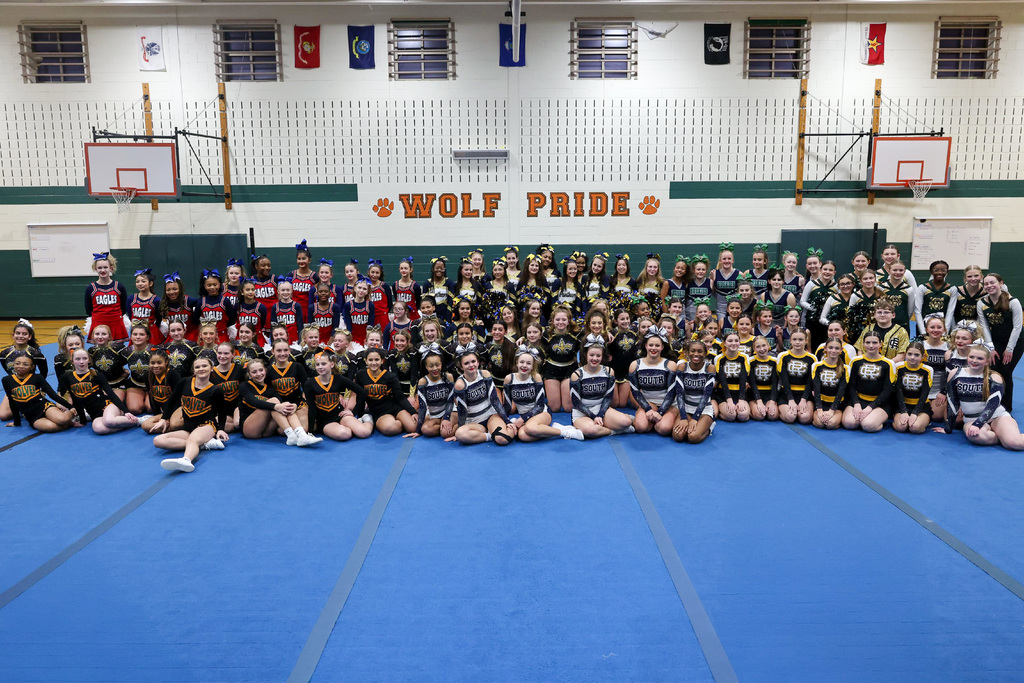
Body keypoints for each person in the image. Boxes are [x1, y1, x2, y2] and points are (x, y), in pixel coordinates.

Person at [936, 343, 1024, 450]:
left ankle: (1006, 436)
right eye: (971, 357)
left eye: (980, 358)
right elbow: (952, 401)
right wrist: (948, 428)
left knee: (1015, 443)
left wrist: (978, 424)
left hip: (997, 416)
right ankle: (1002, 436)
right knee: (974, 436)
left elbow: (992, 406)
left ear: (987, 361)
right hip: (971, 419)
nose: (974, 360)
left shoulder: (994, 377)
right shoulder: (956, 374)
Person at [151, 356, 230, 473]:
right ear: (193, 370)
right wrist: (164, 418)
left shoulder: (215, 390)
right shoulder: (185, 382)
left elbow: (222, 411)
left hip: (206, 425)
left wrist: (221, 429)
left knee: (192, 440)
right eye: (197, 367)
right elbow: (172, 400)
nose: (201, 369)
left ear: (211, 368)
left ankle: (187, 460)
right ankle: (202, 444)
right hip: (188, 427)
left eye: (204, 366)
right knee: (158, 440)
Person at [504, 347, 583, 441]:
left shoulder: (535, 377)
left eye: (528, 363)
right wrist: (506, 421)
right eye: (522, 362)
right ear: (517, 363)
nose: (524, 366)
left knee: (530, 428)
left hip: (541, 412)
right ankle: (552, 429)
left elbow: (540, 405)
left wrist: (522, 419)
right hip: (525, 416)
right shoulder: (509, 379)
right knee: (522, 436)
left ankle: (565, 432)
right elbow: (507, 405)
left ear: (533, 366)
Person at [446, 346, 516, 445]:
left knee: (502, 439)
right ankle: (490, 436)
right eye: (466, 363)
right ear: (461, 366)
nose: (471, 365)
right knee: (460, 434)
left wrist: (507, 420)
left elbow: (495, 400)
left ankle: (512, 426)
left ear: (478, 362)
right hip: (474, 422)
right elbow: (462, 410)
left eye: (473, 361)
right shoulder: (460, 384)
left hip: (491, 416)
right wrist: (460, 429)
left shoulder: (485, 374)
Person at [569, 337, 634, 438]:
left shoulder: (608, 372)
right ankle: (613, 430)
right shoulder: (577, 375)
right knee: (591, 431)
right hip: (582, 412)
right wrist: (593, 416)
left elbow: (608, 397)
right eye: (591, 355)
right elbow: (576, 402)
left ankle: (612, 424)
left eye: (598, 355)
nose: (595, 358)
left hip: (601, 408)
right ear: (585, 355)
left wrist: (600, 414)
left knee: (626, 422)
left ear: (602, 356)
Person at [65, 348, 139, 434]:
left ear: (89, 360)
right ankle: (128, 423)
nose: (81, 362)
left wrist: (126, 411)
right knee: (98, 428)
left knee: (108, 421)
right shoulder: (69, 378)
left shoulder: (96, 374)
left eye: (84, 358)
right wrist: (82, 420)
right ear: (72, 361)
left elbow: (110, 393)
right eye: (78, 359)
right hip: (95, 414)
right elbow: (76, 400)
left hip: (108, 406)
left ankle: (139, 420)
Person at [976, 273, 1023, 410]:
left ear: (1000, 283)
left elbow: (1017, 327)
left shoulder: (1012, 301)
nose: (989, 286)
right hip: (995, 341)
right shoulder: (982, 303)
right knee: (994, 370)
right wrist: (990, 348)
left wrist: (1010, 349)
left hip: (1016, 341)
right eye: (986, 284)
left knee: (1006, 371)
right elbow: (984, 326)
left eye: (992, 283)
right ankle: (992, 403)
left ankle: (1006, 407)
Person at [352, 348, 418, 436]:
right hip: (379, 412)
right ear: (366, 361)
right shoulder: (361, 375)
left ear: (382, 361)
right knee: (390, 428)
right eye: (370, 360)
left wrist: (413, 412)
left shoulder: (390, 376)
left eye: (377, 359)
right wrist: (359, 416)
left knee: (413, 428)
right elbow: (360, 398)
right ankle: (397, 423)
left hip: (395, 408)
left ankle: (402, 422)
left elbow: (400, 397)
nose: (374, 363)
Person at [3, 353, 73, 432]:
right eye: (17, 363)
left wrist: (71, 407)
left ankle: (72, 415)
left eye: (25, 364)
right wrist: (17, 422)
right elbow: (12, 401)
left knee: (63, 419)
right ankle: (68, 423)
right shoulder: (7, 380)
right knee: (51, 427)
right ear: (13, 365)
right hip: (31, 415)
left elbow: (52, 395)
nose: (21, 366)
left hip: (44, 407)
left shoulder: (37, 377)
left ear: (32, 367)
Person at [303, 352, 365, 441]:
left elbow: (361, 392)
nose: (320, 367)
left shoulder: (338, 379)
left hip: (340, 415)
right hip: (325, 421)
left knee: (364, 432)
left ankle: (368, 420)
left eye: (323, 364)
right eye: (317, 364)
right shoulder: (310, 383)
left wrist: (354, 412)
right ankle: (348, 428)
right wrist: (310, 432)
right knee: (344, 434)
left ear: (332, 364)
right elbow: (312, 408)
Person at [843, 330, 896, 433]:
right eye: (868, 343)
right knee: (849, 423)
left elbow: (887, 390)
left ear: (881, 344)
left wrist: (870, 407)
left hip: (880, 403)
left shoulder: (888, 363)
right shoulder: (856, 361)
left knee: (868, 425)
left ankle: (878, 419)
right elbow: (852, 386)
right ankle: (867, 416)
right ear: (863, 344)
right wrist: (856, 404)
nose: (871, 346)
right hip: (859, 399)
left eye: (875, 343)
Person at [629, 329, 678, 435]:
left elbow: (672, 392)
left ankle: (668, 416)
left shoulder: (670, 365)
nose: (653, 348)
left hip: (669, 404)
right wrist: (647, 409)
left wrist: (660, 412)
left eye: (657, 345)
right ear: (646, 345)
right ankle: (649, 419)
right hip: (649, 403)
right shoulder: (635, 365)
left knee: (663, 429)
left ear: (662, 347)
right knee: (640, 427)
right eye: (651, 345)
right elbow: (635, 391)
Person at [671, 340, 716, 444]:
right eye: (693, 351)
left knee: (693, 437)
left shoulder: (710, 368)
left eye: (700, 351)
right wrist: (683, 417)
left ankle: (710, 426)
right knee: (678, 436)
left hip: (704, 409)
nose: (696, 354)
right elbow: (679, 394)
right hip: (686, 408)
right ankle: (693, 423)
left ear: (705, 353)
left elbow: (706, 395)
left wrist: (695, 418)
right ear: (687, 353)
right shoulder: (682, 367)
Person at [85, 252, 130, 343]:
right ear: (95, 269)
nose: (103, 270)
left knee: (117, 350)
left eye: (105, 267)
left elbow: (124, 307)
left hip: (116, 323)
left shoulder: (119, 287)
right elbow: (88, 309)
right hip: (98, 323)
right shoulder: (91, 288)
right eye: (100, 268)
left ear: (111, 268)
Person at [540, 306, 579, 412]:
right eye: (557, 319)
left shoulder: (577, 335)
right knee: (554, 407)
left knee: (568, 408)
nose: (560, 322)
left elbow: (594, 333)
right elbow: (530, 335)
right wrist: (522, 338)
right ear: (552, 321)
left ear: (568, 321)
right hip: (551, 371)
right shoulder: (546, 335)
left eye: (564, 319)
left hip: (569, 370)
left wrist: (607, 332)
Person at [414, 348, 456, 438]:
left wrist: (446, 418)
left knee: (445, 434)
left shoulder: (448, 377)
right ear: (426, 366)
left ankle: (453, 427)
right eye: (431, 366)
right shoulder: (423, 381)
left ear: (441, 364)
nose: (435, 368)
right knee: (425, 429)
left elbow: (451, 401)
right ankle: (444, 428)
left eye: (437, 365)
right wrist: (418, 431)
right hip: (435, 415)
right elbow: (423, 406)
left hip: (450, 411)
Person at [893, 342, 933, 435]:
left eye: (916, 355)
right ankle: (895, 418)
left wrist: (915, 413)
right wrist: (903, 411)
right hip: (903, 404)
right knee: (901, 427)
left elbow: (925, 393)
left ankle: (924, 422)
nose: (912, 357)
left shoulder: (927, 370)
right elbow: (898, 391)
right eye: (909, 354)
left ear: (923, 356)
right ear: (905, 354)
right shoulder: (899, 367)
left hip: (921, 406)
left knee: (914, 428)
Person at [777, 328, 814, 425]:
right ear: (790, 340)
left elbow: (810, 382)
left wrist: (803, 400)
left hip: (804, 394)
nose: (797, 342)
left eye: (801, 340)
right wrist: (790, 399)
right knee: (790, 417)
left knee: (805, 419)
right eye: (794, 339)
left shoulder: (812, 358)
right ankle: (779, 411)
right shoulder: (783, 356)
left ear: (806, 341)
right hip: (786, 393)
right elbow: (784, 379)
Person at [811, 337, 848, 430]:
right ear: (825, 348)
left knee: (830, 424)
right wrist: (819, 409)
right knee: (819, 423)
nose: (833, 350)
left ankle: (838, 418)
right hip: (821, 402)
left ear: (841, 350)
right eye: (830, 348)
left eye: (836, 348)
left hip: (837, 404)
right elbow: (816, 388)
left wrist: (832, 410)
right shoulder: (818, 366)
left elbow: (841, 390)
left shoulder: (845, 369)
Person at [713, 331, 750, 422]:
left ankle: (748, 411)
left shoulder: (744, 357)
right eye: (730, 341)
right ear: (724, 343)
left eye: (736, 341)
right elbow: (722, 380)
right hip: (723, 392)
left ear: (739, 342)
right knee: (731, 416)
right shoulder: (719, 358)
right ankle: (720, 412)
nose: (733, 343)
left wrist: (741, 399)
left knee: (742, 415)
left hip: (739, 391)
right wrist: (728, 400)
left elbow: (743, 378)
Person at [141, 349, 181, 434]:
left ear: (166, 362)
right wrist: (157, 415)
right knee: (145, 425)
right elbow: (152, 396)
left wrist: (165, 417)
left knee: (175, 423)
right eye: (152, 363)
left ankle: (178, 426)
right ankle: (172, 427)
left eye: (159, 363)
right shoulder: (147, 375)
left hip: (178, 409)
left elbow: (177, 399)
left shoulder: (173, 375)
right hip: (165, 412)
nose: (155, 366)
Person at [916, 260, 957, 332]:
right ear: (931, 272)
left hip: (942, 328)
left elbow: (950, 311)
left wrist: (945, 331)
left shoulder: (952, 289)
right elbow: (917, 310)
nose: (940, 272)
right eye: (936, 270)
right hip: (925, 327)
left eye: (943, 270)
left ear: (947, 272)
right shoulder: (923, 287)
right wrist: (922, 330)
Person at [747, 336, 779, 421]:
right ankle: (750, 408)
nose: (762, 349)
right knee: (759, 416)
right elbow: (752, 383)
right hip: (753, 394)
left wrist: (772, 401)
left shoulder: (775, 361)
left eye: (764, 345)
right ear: (754, 348)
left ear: (768, 345)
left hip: (769, 393)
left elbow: (775, 383)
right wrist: (759, 401)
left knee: (773, 416)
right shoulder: (750, 361)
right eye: (758, 347)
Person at [289, 239, 317, 312]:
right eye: (299, 259)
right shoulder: (291, 274)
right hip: (293, 310)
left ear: (309, 260)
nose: (301, 261)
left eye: (304, 259)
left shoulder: (314, 276)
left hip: (309, 310)